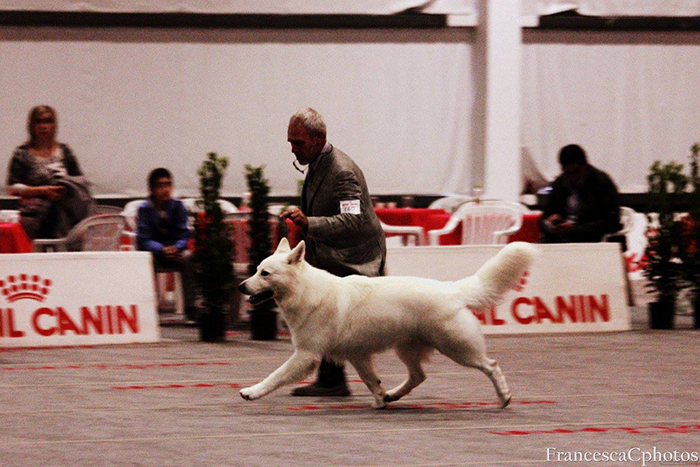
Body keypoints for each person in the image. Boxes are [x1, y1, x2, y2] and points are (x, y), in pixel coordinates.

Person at [281, 107, 387, 397]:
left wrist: (309, 223)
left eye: (299, 143)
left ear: (319, 138)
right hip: (335, 253)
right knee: (325, 313)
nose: (293, 149)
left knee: (326, 312)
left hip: (357, 258)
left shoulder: (341, 171)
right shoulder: (316, 164)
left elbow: (353, 220)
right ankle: (331, 380)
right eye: (290, 142)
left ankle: (332, 380)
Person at [6, 105, 94, 239]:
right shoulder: (22, 153)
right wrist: (42, 191)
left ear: (54, 125)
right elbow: (12, 187)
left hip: (64, 217)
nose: (44, 126)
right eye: (39, 121)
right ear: (31, 126)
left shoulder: (65, 151)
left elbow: (80, 181)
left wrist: (66, 188)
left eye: (48, 121)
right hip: (33, 219)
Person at [136, 168, 197, 321]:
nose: (166, 189)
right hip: (156, 254)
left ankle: (191, 308)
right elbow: (143, 239)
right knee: (145, 260)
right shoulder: (144, 209)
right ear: (151, 189)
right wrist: (161, 249)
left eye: (168, 185)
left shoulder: (178, 207)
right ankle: (149, 309)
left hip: (175, 252)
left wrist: (176, 248)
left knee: (189, 257)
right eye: (161, 185)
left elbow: (184, 234)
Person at [540, 144, 621, 243]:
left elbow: (611, 222)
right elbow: (544, 217)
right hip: (559, 237)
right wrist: (551, 221)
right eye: (567, 173)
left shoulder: (602, 183)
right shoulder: (560, 182)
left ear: (584, 166)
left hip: (590, 239)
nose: (571, 177)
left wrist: (575, 229)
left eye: (575, 172)